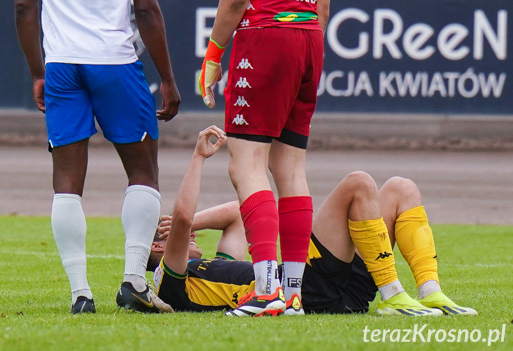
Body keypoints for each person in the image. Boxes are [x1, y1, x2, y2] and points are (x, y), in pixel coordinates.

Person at [14, 0, 181, 314]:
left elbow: (25, 8)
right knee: (143, 171)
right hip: (114, 62)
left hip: (63, 64)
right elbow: (146, 9)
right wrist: (166, 78)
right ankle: (133, 282)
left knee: (67, 182)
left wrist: (37, 71)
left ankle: (79, 293)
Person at [197, 0, 337, 316]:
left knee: (246, 165)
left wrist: (214, 54)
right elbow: (322, 1)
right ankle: (294, 291)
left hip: (267, 34)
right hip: (308, 40)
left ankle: (265, 290)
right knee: (290, 168)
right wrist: (307, 49)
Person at [149, 126, 477, 317]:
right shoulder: (171, 280)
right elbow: (180, 218)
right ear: (156, 247)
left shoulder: (216, 263)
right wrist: (197, 158)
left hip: (340, 293)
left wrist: (196, 224)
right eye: (179, 239)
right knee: (358, 183)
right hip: (307, 289)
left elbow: (240, 211)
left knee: (401, 189)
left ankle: (430, 291)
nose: (191, 239)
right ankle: (392, 297)